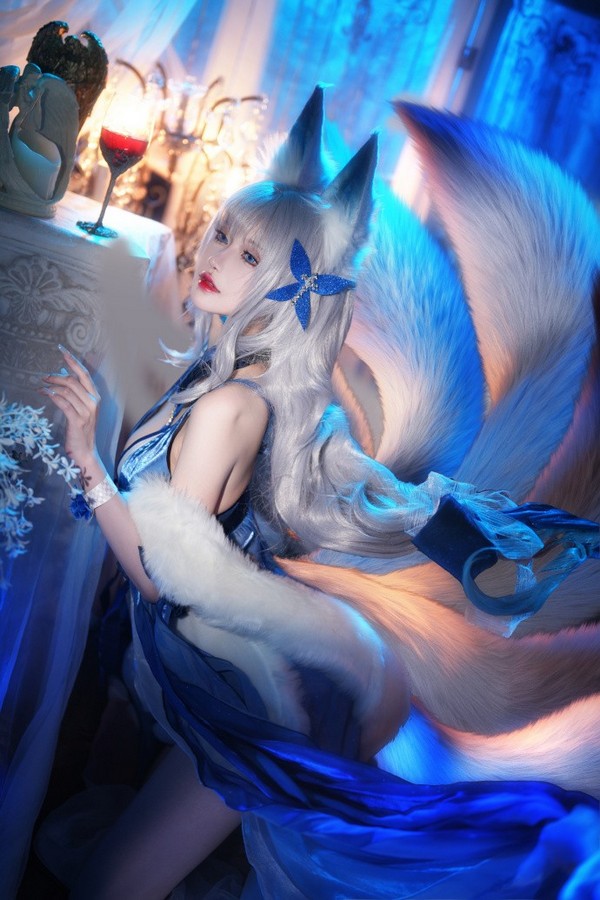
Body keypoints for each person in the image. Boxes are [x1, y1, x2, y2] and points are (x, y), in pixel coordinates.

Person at [42, 87, 599, 899]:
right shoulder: (240, 379)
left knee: (112, 882)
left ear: (288, 286)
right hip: (211, 665)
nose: (215, 254)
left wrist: (88, 465)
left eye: (250, 255)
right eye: (224, 232)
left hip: (251, 689)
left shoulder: (231, 407)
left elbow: (165, 579)